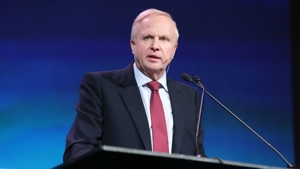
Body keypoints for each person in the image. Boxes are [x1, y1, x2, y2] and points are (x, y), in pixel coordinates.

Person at [63, 8, 205, 162]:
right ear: (133, 45)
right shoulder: (101, 86)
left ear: (173, 50)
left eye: (164, 39)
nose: (155, 46)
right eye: (148, 37)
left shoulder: (189, 96)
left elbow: (197, 157)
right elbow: (80, 148)